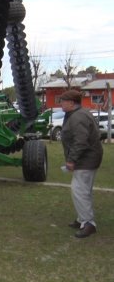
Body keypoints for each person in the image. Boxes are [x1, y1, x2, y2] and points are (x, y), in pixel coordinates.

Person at [60, 90, 103, 238]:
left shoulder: (78, 116)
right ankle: (82, 219)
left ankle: (88, 223)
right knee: (83, 190)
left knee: (79, 190)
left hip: (86, 159)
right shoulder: (77, 114)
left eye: (62, 101)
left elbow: (81, 141)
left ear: (71, 103)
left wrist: (72, 160)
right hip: (88, 158)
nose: (60, 104)